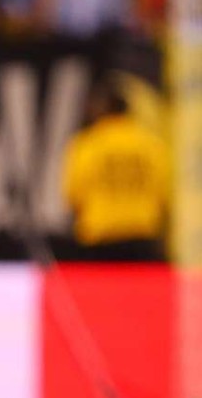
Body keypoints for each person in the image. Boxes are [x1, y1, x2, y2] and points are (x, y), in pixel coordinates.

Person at [62, 77, 169, 261]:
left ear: (103, 109)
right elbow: (163, 194)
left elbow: (73, 196)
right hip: (143, 240)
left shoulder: (88, 145)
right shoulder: (152, 145)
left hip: (101, 242)